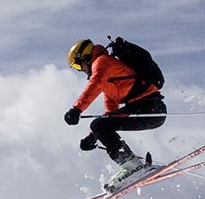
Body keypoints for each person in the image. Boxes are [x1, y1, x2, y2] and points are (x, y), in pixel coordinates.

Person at [63, 39, 166, 176]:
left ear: (84, 57)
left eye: (77, 65)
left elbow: (95, 83)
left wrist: (76, 109)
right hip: (150, 110)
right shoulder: (108, 74)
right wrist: (93, 136)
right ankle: (131, 164)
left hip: (149, 108)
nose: (80, 70)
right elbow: (110, 113)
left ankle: (131, 165)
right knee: (99, 125)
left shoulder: (102, 62)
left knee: (98, 124)